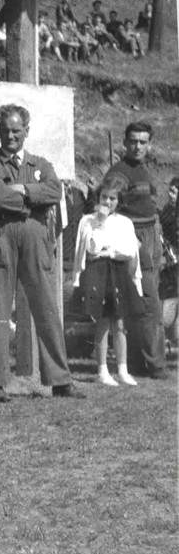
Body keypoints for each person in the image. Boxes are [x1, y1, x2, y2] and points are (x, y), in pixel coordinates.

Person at [0, 104, 80, 401]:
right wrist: (29, 199)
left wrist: (25, 190)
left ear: (26, 131)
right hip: (1, 238)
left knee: (46, 305)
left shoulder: (40, 164)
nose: (11, 136)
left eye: (16, 131)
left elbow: (55, 191)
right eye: (5, 131)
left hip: (36, 238)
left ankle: (60, 380)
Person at [106, 121, 169, 380]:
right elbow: (107, 207)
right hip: (134, 236)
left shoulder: (145, 169)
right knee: (149, 303)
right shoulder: (118, 172)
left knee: (144, 301)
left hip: (152, 233)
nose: (138, 146)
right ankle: (156, 365)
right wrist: (129, 238)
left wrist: (159, 236)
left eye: (143, 142)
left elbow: (151, 206)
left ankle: (138, 362)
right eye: (133, 141)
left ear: (149, 144)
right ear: (124, 142)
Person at [71, 175, 143, 387]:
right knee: (102, 320)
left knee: (120, 323)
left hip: (119, 273)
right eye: (104, 197)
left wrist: (109, 252)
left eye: (113, 198)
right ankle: (102, 369)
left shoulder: (124, 223)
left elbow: (128, 251)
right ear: (98, 197)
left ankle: (122, 369)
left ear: (118, 200)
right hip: (98, 274)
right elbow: (90, 249)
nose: (108, 202)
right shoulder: (88, 221)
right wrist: (100, 224)